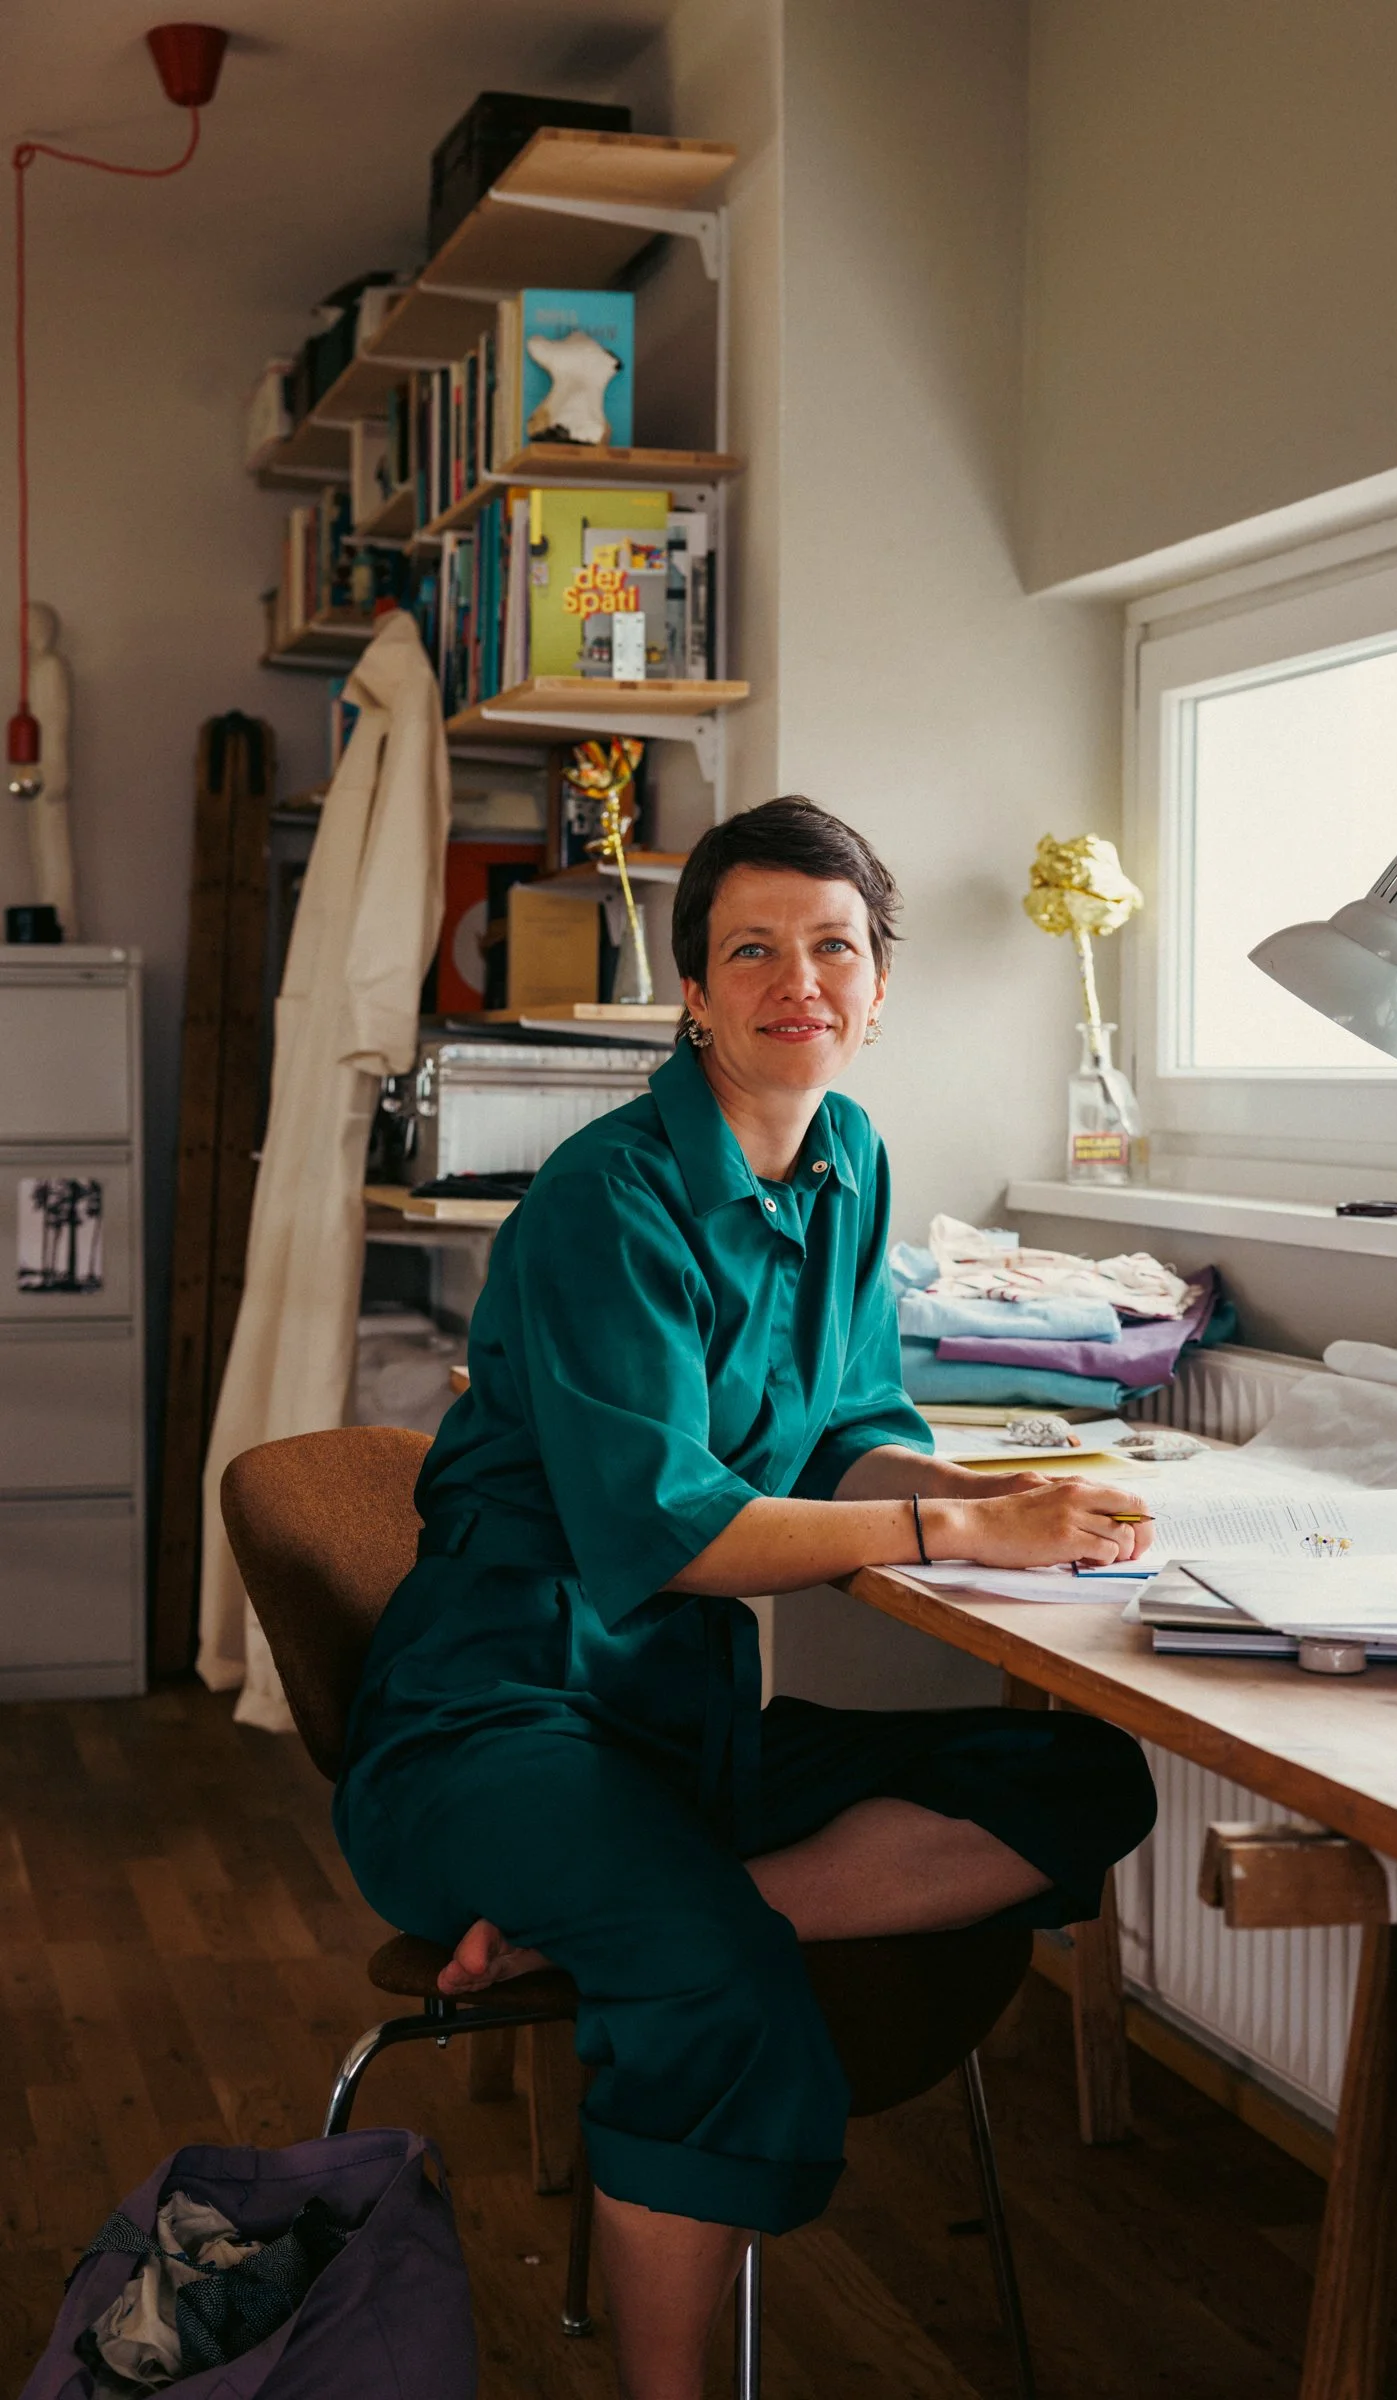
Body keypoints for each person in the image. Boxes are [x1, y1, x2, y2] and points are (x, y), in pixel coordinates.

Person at [334, 797, 1157, 2400]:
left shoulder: (848, 1159)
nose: (802, 979)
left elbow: (851, 1429)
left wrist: (996, 1506)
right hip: (488, 1726)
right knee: (712, 1992)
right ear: (695, 997)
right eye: (754, 950)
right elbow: (674, 1529)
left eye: (834, 947)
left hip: (670, 1736)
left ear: (879, 981)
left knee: (1084, 1780)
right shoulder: (604, 1199)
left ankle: (606, 1920)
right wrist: (952, 1538)